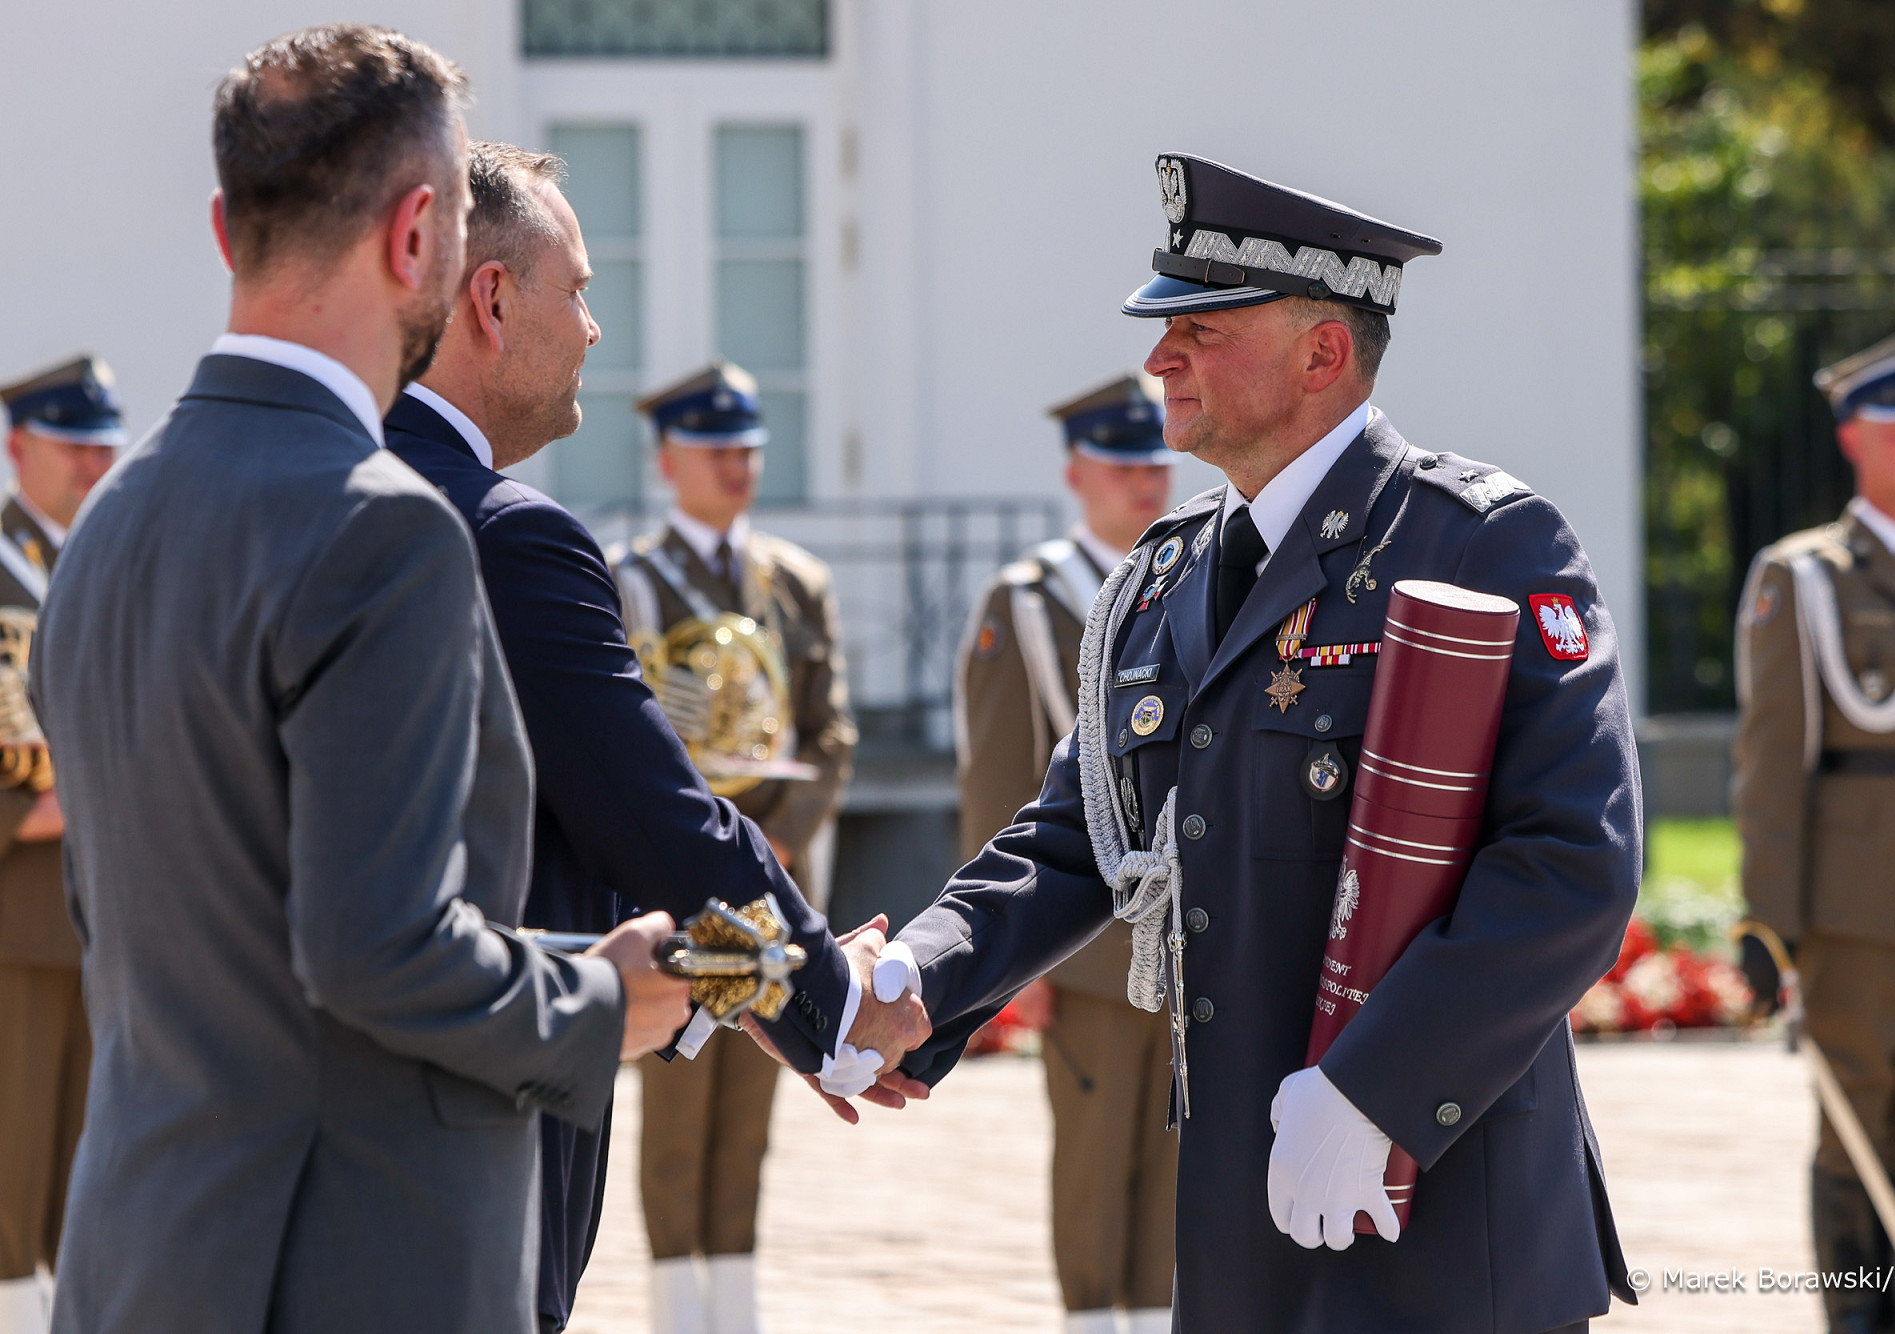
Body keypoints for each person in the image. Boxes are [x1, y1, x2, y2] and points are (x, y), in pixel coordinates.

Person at [863, 153, 1639, 1333]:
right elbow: (1078, 832)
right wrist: (915, 976)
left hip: (1442, 1213)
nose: (1158, 359)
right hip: (1242, 1223)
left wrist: (1375, 1089)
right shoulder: (1167, 571)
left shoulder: (1479, 541)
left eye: (1200, 329)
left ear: (1322, 353)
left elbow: (1570, 862)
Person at [29, 28, 699, 1334]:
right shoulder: (382, 526)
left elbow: (202, 932)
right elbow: (376, 951)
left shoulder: (108, 520)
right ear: (418, 241)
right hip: (351, 1266)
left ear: (225, 229)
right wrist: (601, 999)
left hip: (139, 1259)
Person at [385, 142, 914, 1334]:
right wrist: (827, 1002)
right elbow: (657, 825)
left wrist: (740, 983)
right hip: (462, 1156)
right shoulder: (506, 536)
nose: (592, 330)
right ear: (490, 299)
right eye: (577, 290)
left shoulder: (299, 485)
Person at [1735, 324, 1895, 1333]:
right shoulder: (1803, 574)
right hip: (1855, 901)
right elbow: (1772, 762)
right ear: (1853, 436)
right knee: (1853, 1123)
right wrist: (1770, 920)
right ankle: (1857, 1320)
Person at [613, 361, 859, 1334]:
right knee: (679, 1100)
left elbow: (827, 732)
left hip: (771, 875)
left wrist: (784, 842)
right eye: (714, 449)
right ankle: (679, 1309)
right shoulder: (631, 580)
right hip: (681, 879)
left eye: (748, 449)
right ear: (666, 460)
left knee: (751, 1104)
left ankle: (738, 1304)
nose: (736, 466)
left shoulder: (795, 580)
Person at [953, 372, 1177, 1334]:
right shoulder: (1031, 601)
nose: (1145, 483)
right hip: (1083, 943)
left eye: (1155, 465)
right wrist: (1007, 951)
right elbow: (998, 779)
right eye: (1122, 466)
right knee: (1094, 1155)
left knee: (1176, 1160)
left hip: (1185, 933)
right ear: (1075, 473)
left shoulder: (1194, 576)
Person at [0, 355, 120, 1334]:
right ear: (16, 447)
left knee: (92, 1177)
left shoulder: (110, 562)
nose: (95, 464)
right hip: (16, 922)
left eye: (105, 445)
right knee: (9, 1182)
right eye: (73, 444)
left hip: (109, 918)